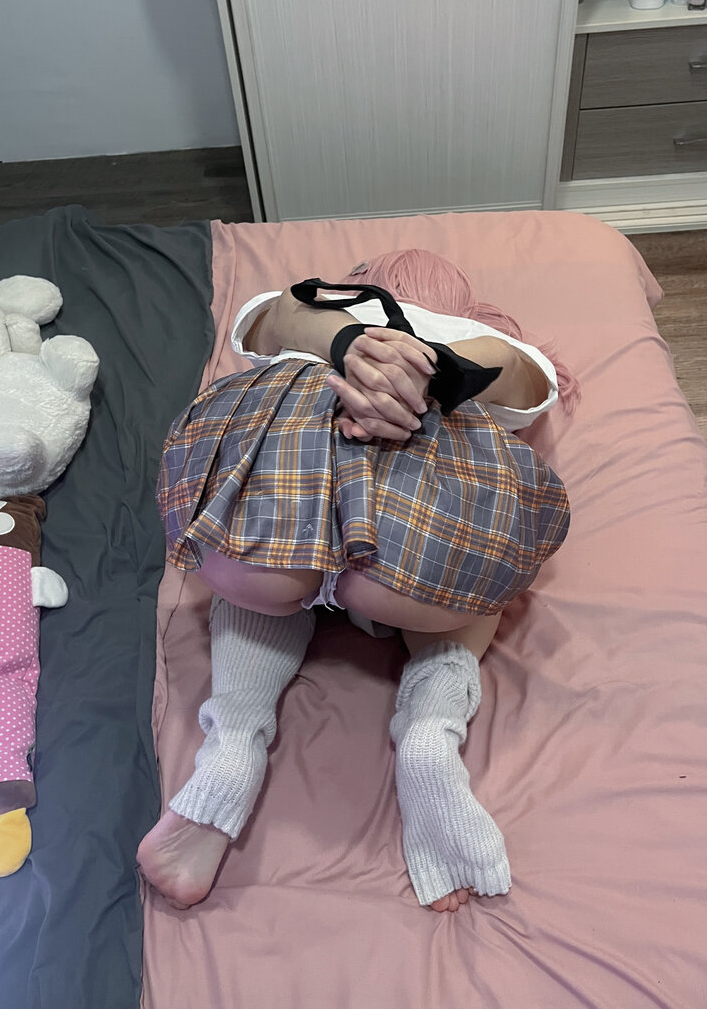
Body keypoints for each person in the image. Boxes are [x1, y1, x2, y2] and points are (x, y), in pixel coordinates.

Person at [137, 249, 575, 914]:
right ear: (467, 307)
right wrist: (428, 369)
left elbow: (272, 317)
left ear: (360, 283)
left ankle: (230, 749)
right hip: (413, 555)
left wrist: (352, 348)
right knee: (475, 592)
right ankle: (430, 731)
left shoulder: (314, 309)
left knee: (255, 561)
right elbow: (521, 375)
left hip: (281, 516)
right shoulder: (483, 342)